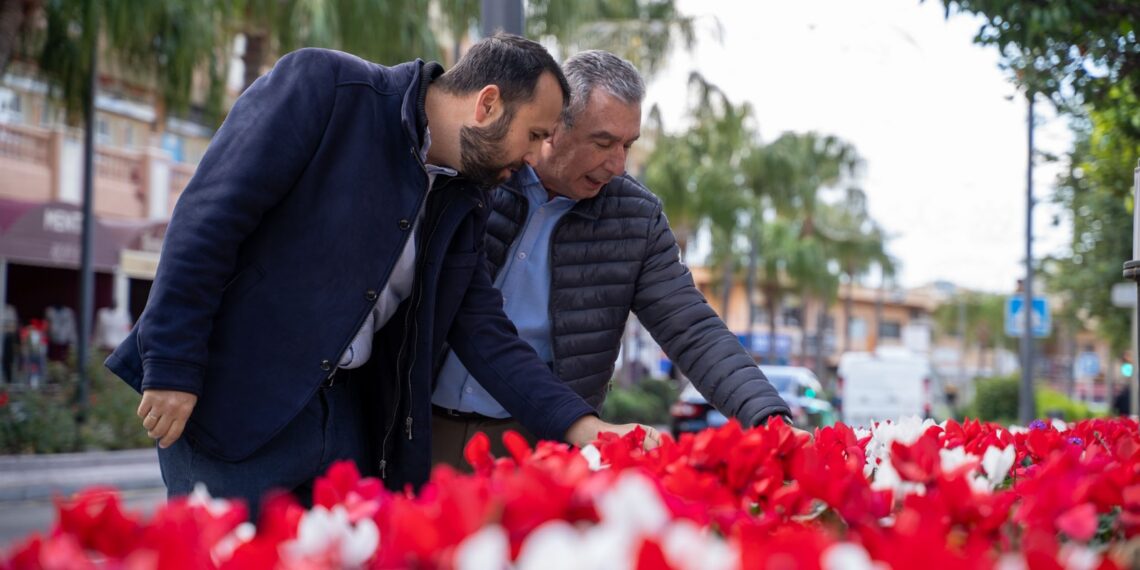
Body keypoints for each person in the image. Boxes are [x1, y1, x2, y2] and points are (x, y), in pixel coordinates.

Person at [105, 35, 657, 516]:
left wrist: (584, 427)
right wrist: (172, 366)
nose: (537, 157)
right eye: (534, 134)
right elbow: (207, 219)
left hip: (347, 427)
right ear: (488, 104)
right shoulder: (326, 88)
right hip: (236, 409)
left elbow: (485, 332)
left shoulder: (464, 196)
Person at [431, 51, 792, 468]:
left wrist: (769, 420)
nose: (618, 165)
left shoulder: (635, 219)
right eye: (603, 143)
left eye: (627, 145)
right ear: (552, 126)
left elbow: (692, 328)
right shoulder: (479, 175)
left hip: (543, 442)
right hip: (420, 423)